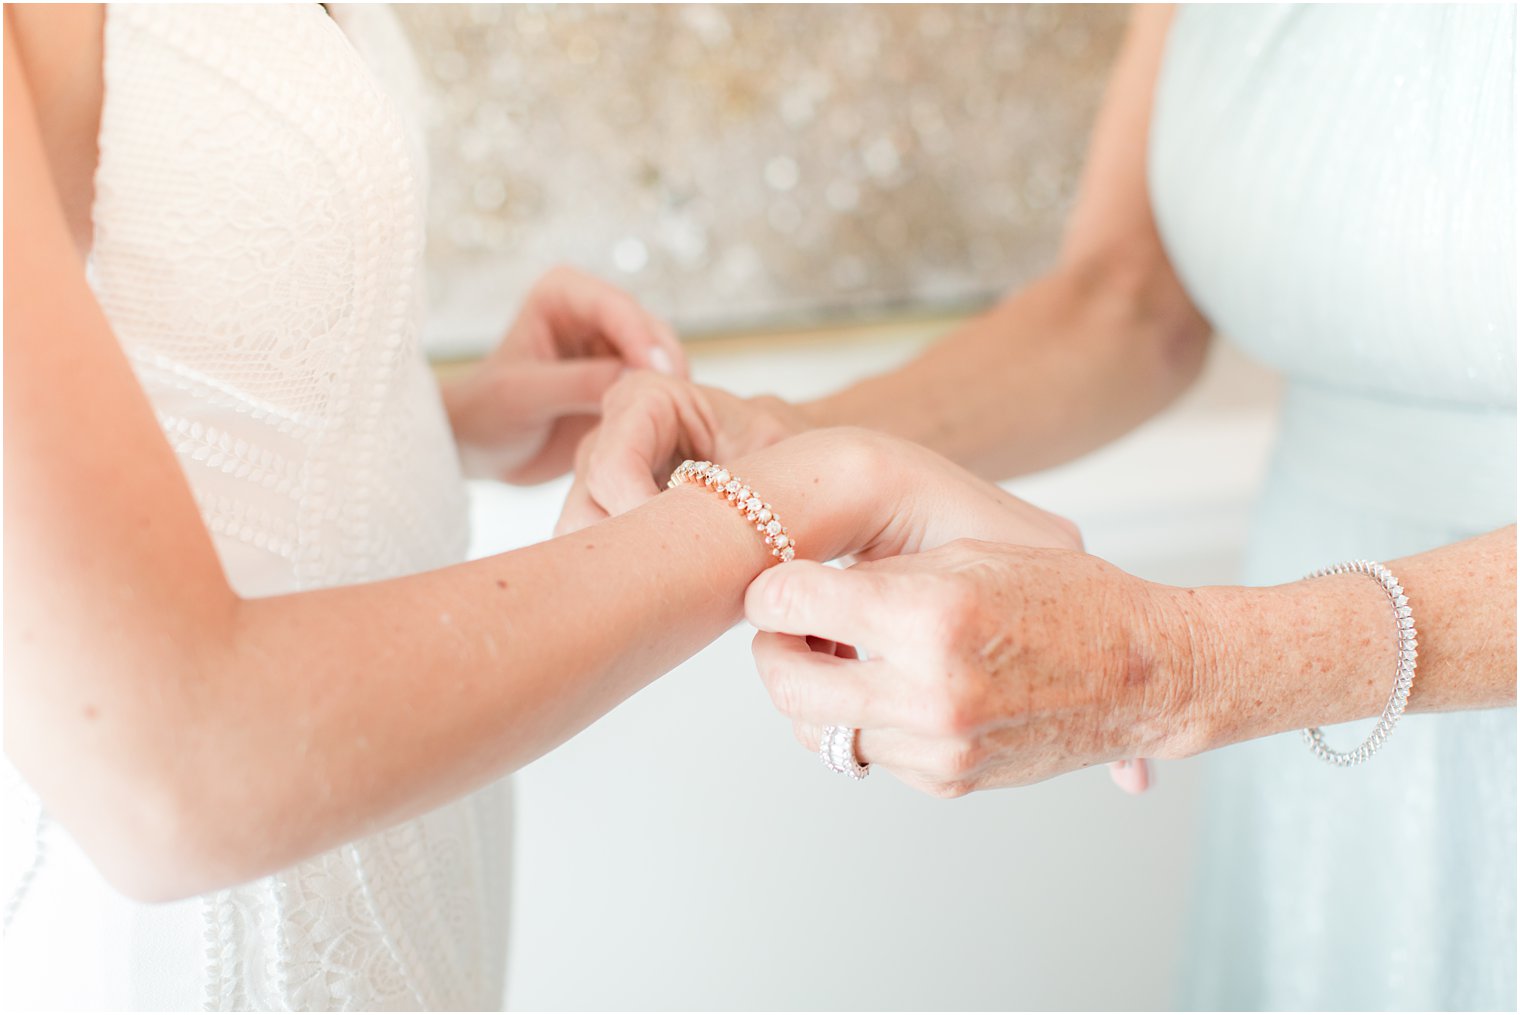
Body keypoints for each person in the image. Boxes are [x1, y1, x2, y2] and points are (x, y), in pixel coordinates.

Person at [2, 4, 1079, 1008]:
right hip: (199, 935)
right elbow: (172, 773)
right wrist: (820, 489)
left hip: (403, 842)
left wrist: (436, 415)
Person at [561, 4, 1517, 1009]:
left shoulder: (1207, 667)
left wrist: (1192, 664)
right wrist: (786, 436)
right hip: (1330, 757)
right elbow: (1125, 304)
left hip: (1324, 659)